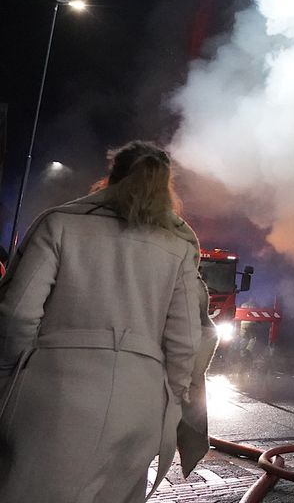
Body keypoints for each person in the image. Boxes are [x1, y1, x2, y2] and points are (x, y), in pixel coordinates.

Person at [0, 141, 218, 502]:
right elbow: (184, 342)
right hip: (140, 402)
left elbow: (17, 313)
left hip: (55, 391)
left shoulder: (59, 225)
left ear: (111, 176)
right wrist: (172, 399)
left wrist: (10, 375)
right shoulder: (178, 248)